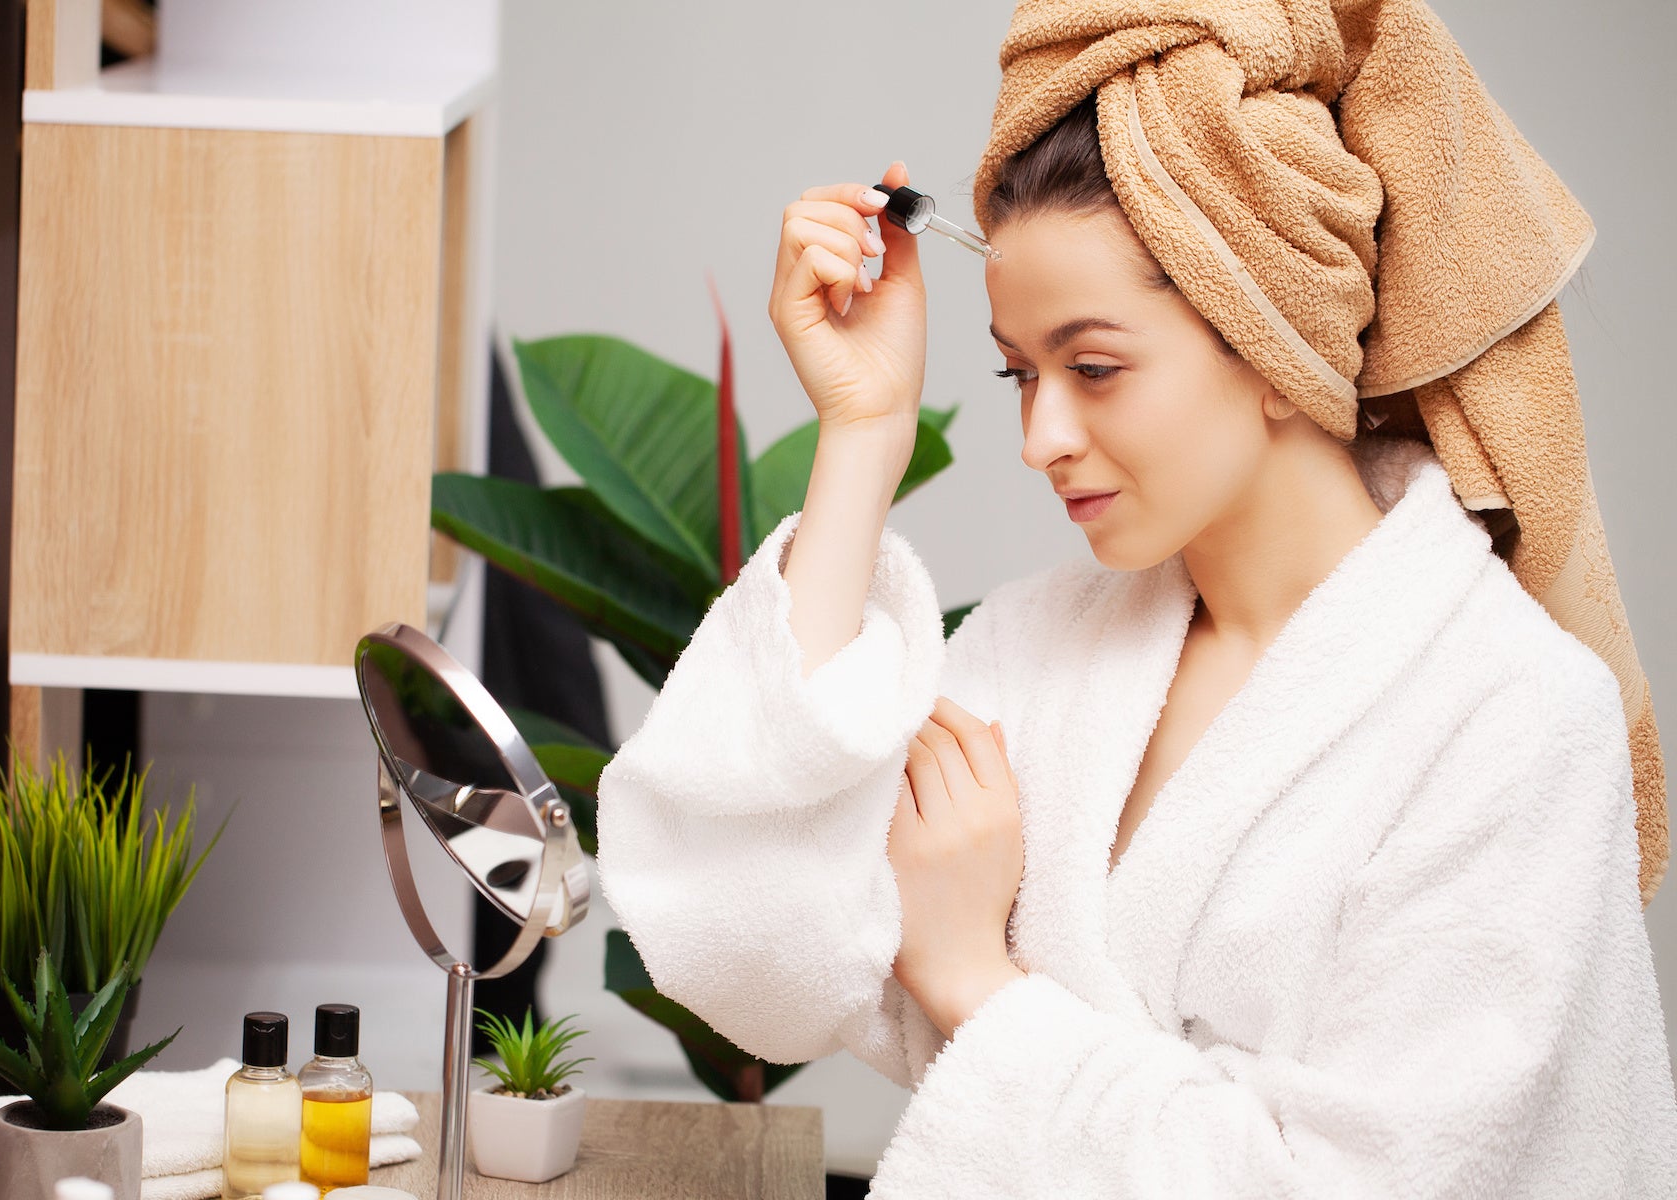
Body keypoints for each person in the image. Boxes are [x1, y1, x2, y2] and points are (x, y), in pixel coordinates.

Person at [594, 2, 1677, 1196]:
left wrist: (971, 981)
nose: (1039, 438)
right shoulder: (1043, 655)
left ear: (1269, 340)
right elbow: (740, 934)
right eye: (1018, 373)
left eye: (1094, 367)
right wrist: (863, 432)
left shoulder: (1509, 719)